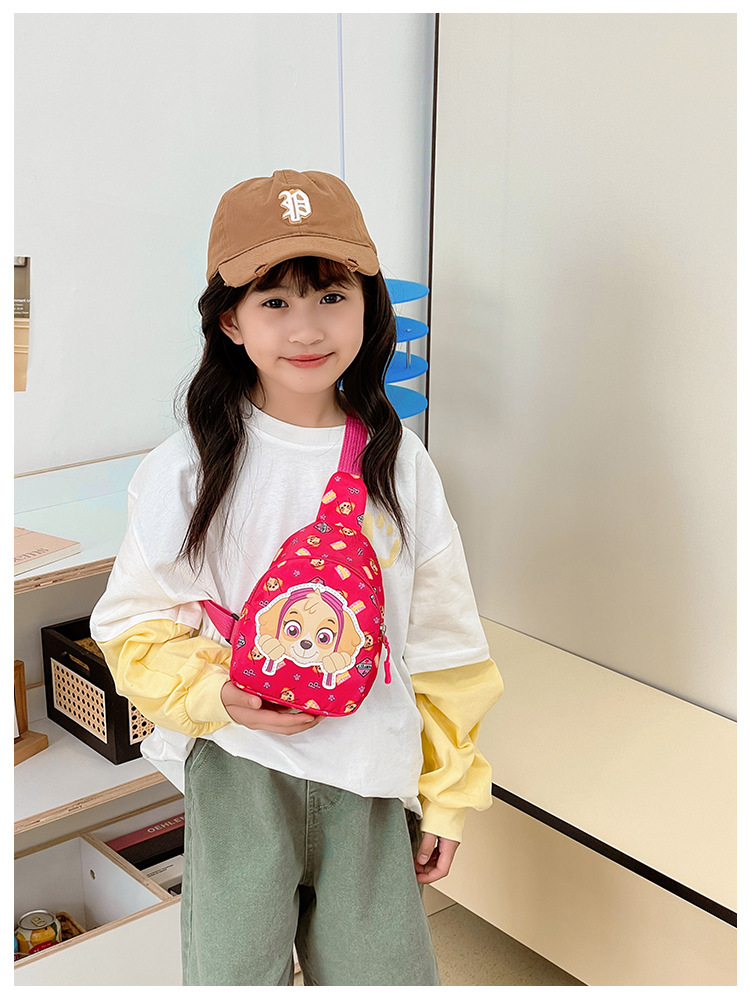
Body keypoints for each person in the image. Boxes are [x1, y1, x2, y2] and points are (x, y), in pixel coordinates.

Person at [90, 169, 504, 987]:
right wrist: (218, 694)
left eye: (332, 296)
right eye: (274, 301)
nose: (307, 328)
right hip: (239, 772)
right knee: (234, 979)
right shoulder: (185, 470)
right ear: (230, 320)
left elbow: (444, 640)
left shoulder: (401, 465)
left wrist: (448, 795)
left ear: (368, 307)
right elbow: (131, 625)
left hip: (370, 776)